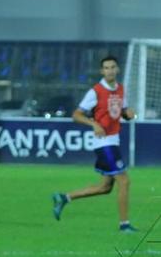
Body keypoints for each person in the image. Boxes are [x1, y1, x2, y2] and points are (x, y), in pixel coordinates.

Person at [52, 56, 138, 232]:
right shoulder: (96, 91)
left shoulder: (121, 89)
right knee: (124, 181)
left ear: (117, 69)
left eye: (113, 67)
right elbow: (76, 114)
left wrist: (128, 114)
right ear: (102, 71)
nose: (110, 70)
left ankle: (64, 198)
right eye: (106, 68)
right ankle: (124, 225)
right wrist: (94, 124)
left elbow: (121, 112)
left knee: (105, 187)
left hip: (113, 140)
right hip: (104, 143)